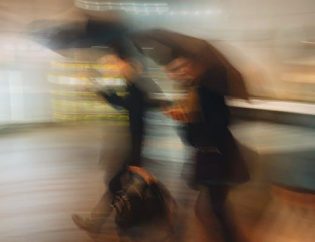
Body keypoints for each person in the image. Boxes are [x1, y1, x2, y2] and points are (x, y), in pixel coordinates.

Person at [72, 53, 169, 234]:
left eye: (124, 66)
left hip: (134, 146)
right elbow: (125, 104)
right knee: (120, 186)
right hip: (133, 145)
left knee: (121, 185)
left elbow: (128, 107)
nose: (120, 69)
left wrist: (99, 88)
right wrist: (101, 90)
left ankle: (156, 216)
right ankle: (105, 223)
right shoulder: (134, 87)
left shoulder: (138, 88)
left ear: (135, 68)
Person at [164, 56, 249, 242]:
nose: (181, 72)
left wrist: (188, 120)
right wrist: (185, 119)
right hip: (210, 155)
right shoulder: (196, 91)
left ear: (197, 66)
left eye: (184, 66)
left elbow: (219, 123)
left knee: (213, 208)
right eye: (177, 68)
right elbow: (196, 135)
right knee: (210, 208)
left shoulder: (205, 91)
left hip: (215, 156)